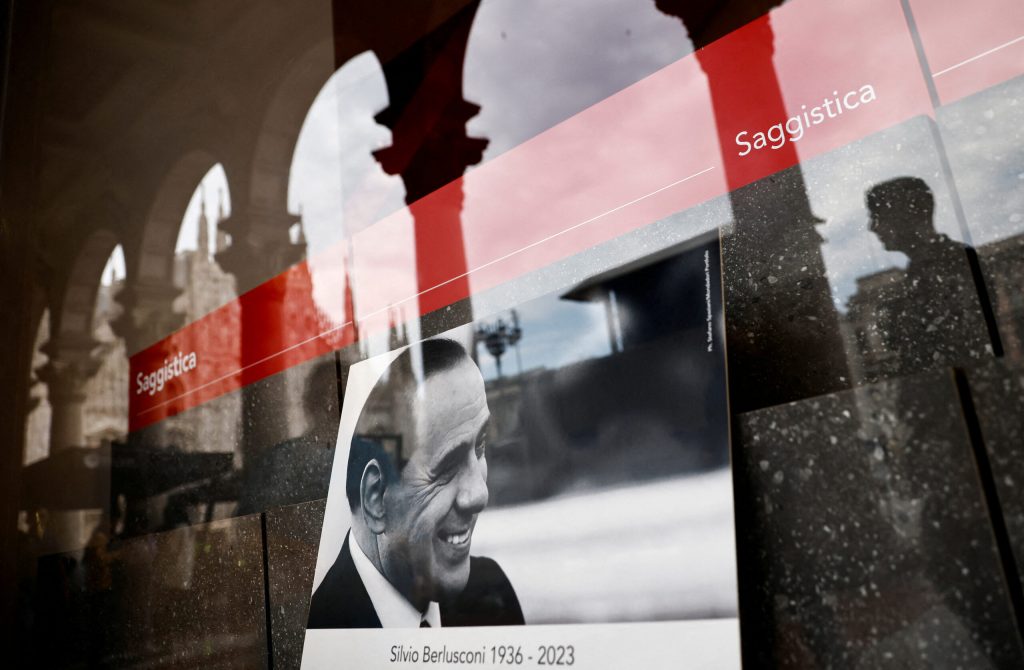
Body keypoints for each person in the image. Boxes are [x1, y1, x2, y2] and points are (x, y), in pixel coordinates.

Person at [307, 338, 523, 628]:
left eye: (480, 445)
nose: (480, 495)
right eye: (447, 467)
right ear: (375, 499)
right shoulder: (323, 630)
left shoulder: (494, 595)